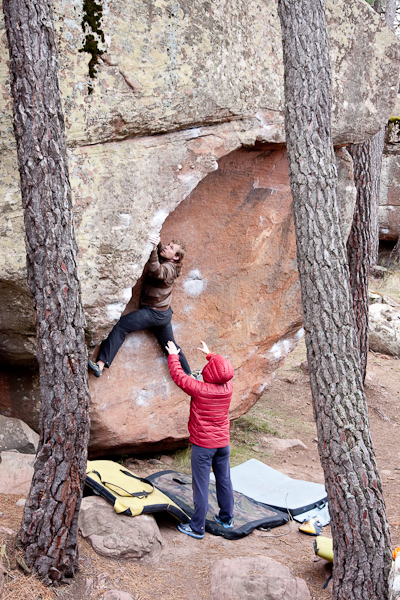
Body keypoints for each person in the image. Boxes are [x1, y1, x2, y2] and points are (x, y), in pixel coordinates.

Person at [88, 234, 191, 377]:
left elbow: (157, 271)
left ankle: (100, 364)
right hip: (163, 314)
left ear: (176, 258)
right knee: (171, 346)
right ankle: (189, 375)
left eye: (171, 248)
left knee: (120, 326)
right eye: (168, 244)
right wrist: (158, 243)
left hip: (153, 314)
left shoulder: (170, 269)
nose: (167, 247)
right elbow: (162, 250)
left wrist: (154, 250)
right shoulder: (171, 261)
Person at [165, 339, 235, 539]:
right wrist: (210, 353)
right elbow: (223, 371)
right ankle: (227, 518)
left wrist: (173, 355)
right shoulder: (227, 387)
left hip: (203, 446)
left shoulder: (200, 389)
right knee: (224, 480)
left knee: (201, 485)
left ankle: (197, 527)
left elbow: (179, 377)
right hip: (223, 444)